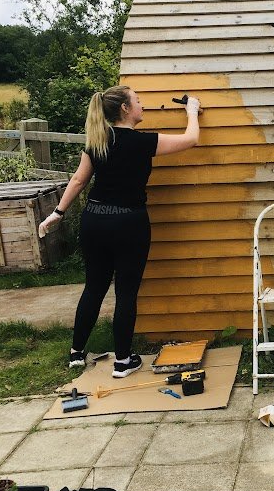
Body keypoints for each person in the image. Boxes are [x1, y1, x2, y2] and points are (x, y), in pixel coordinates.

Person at [38, 86, 201, 378]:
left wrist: (57, 213)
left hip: (94, 221)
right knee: (126, 293)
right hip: (129, 224)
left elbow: (78, 180)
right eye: (138, 101)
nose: (142, 104)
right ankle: (123, 362)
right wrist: (192, 110)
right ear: (125, 109)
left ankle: (77, 352)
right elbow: (191, 139)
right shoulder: (140, 143)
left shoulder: (99, 140)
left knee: (95, 286)